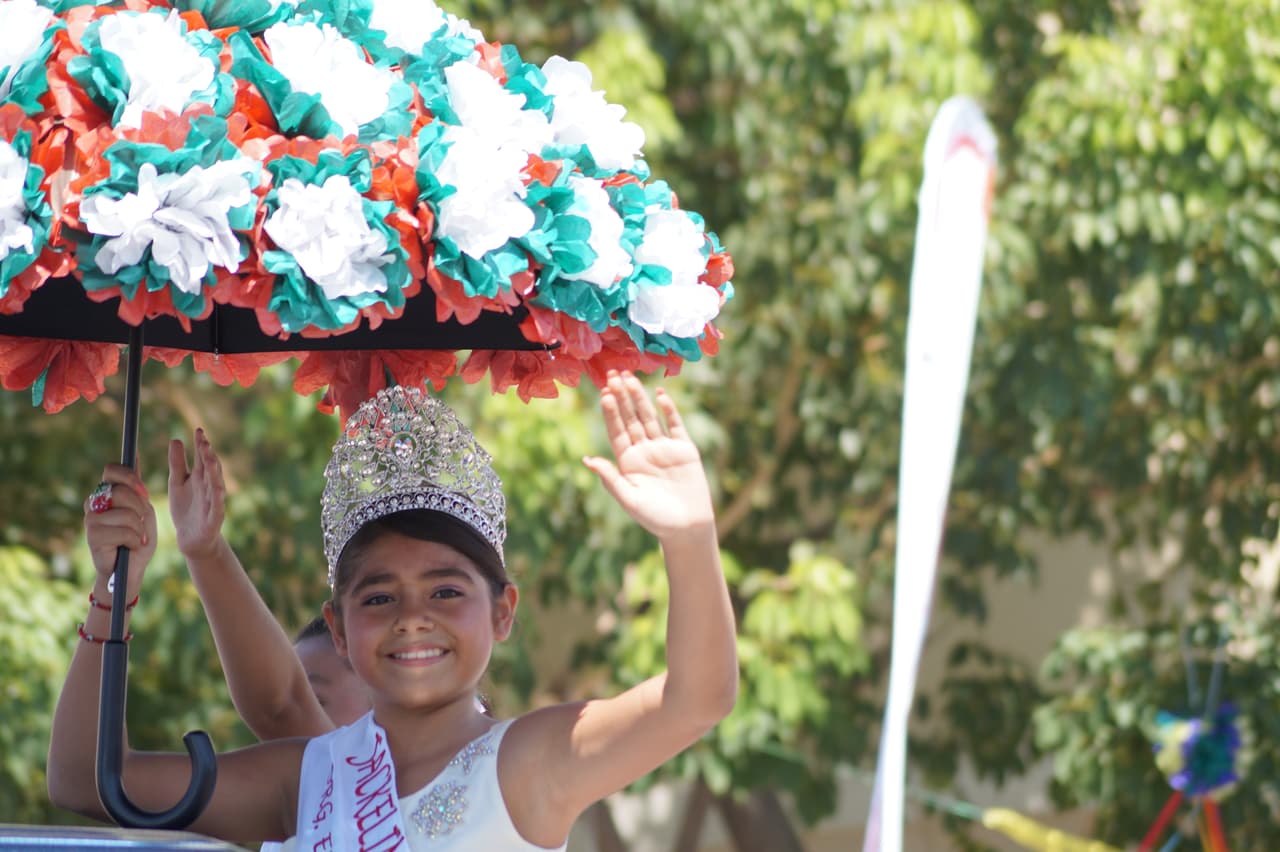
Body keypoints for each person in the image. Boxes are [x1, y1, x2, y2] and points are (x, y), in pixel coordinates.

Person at [48, 371, 738, 849]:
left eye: (445, 591)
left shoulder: (526, 764)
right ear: (341, 632)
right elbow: (86, 780)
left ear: (503, 613)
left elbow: (695, 701)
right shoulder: (308, 776)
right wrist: (116, 586)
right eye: (379, 597)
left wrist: (690, 539)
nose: (413, 617)